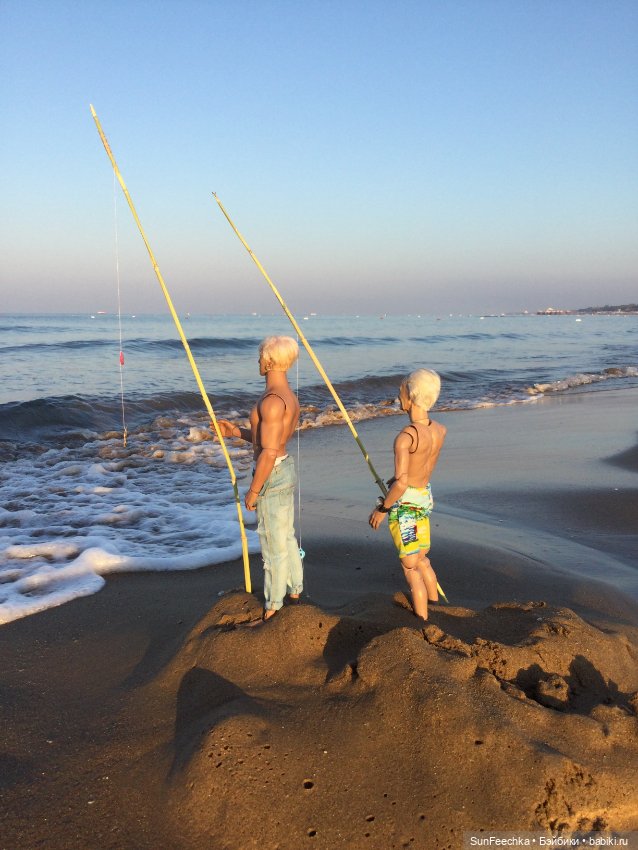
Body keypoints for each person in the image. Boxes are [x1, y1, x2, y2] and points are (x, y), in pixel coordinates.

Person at [216, 336, 303, 622]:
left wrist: (254, 491)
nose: (257, 361)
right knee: (286, 534)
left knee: (271, 542)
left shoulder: (271, 402)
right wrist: (235, 433)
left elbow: (267, 450)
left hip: (272, 472)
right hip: (284, 466)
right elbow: (269, 439)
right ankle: (295, 587)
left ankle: (273, 604)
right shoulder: (288, 396)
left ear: (267, 361)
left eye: (259, 357)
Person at [368, 369, 446, 623]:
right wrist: (400, 483)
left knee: (410, 565)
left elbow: (401, 482)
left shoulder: (406, 436)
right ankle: (436, 603)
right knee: (422, 557)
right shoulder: (439, 430)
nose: (398, 395)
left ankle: (422, 618)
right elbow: (418, 469)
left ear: (411, 396)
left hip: (407, 508)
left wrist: (383, 508)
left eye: (401, 390)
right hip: (424, 498)